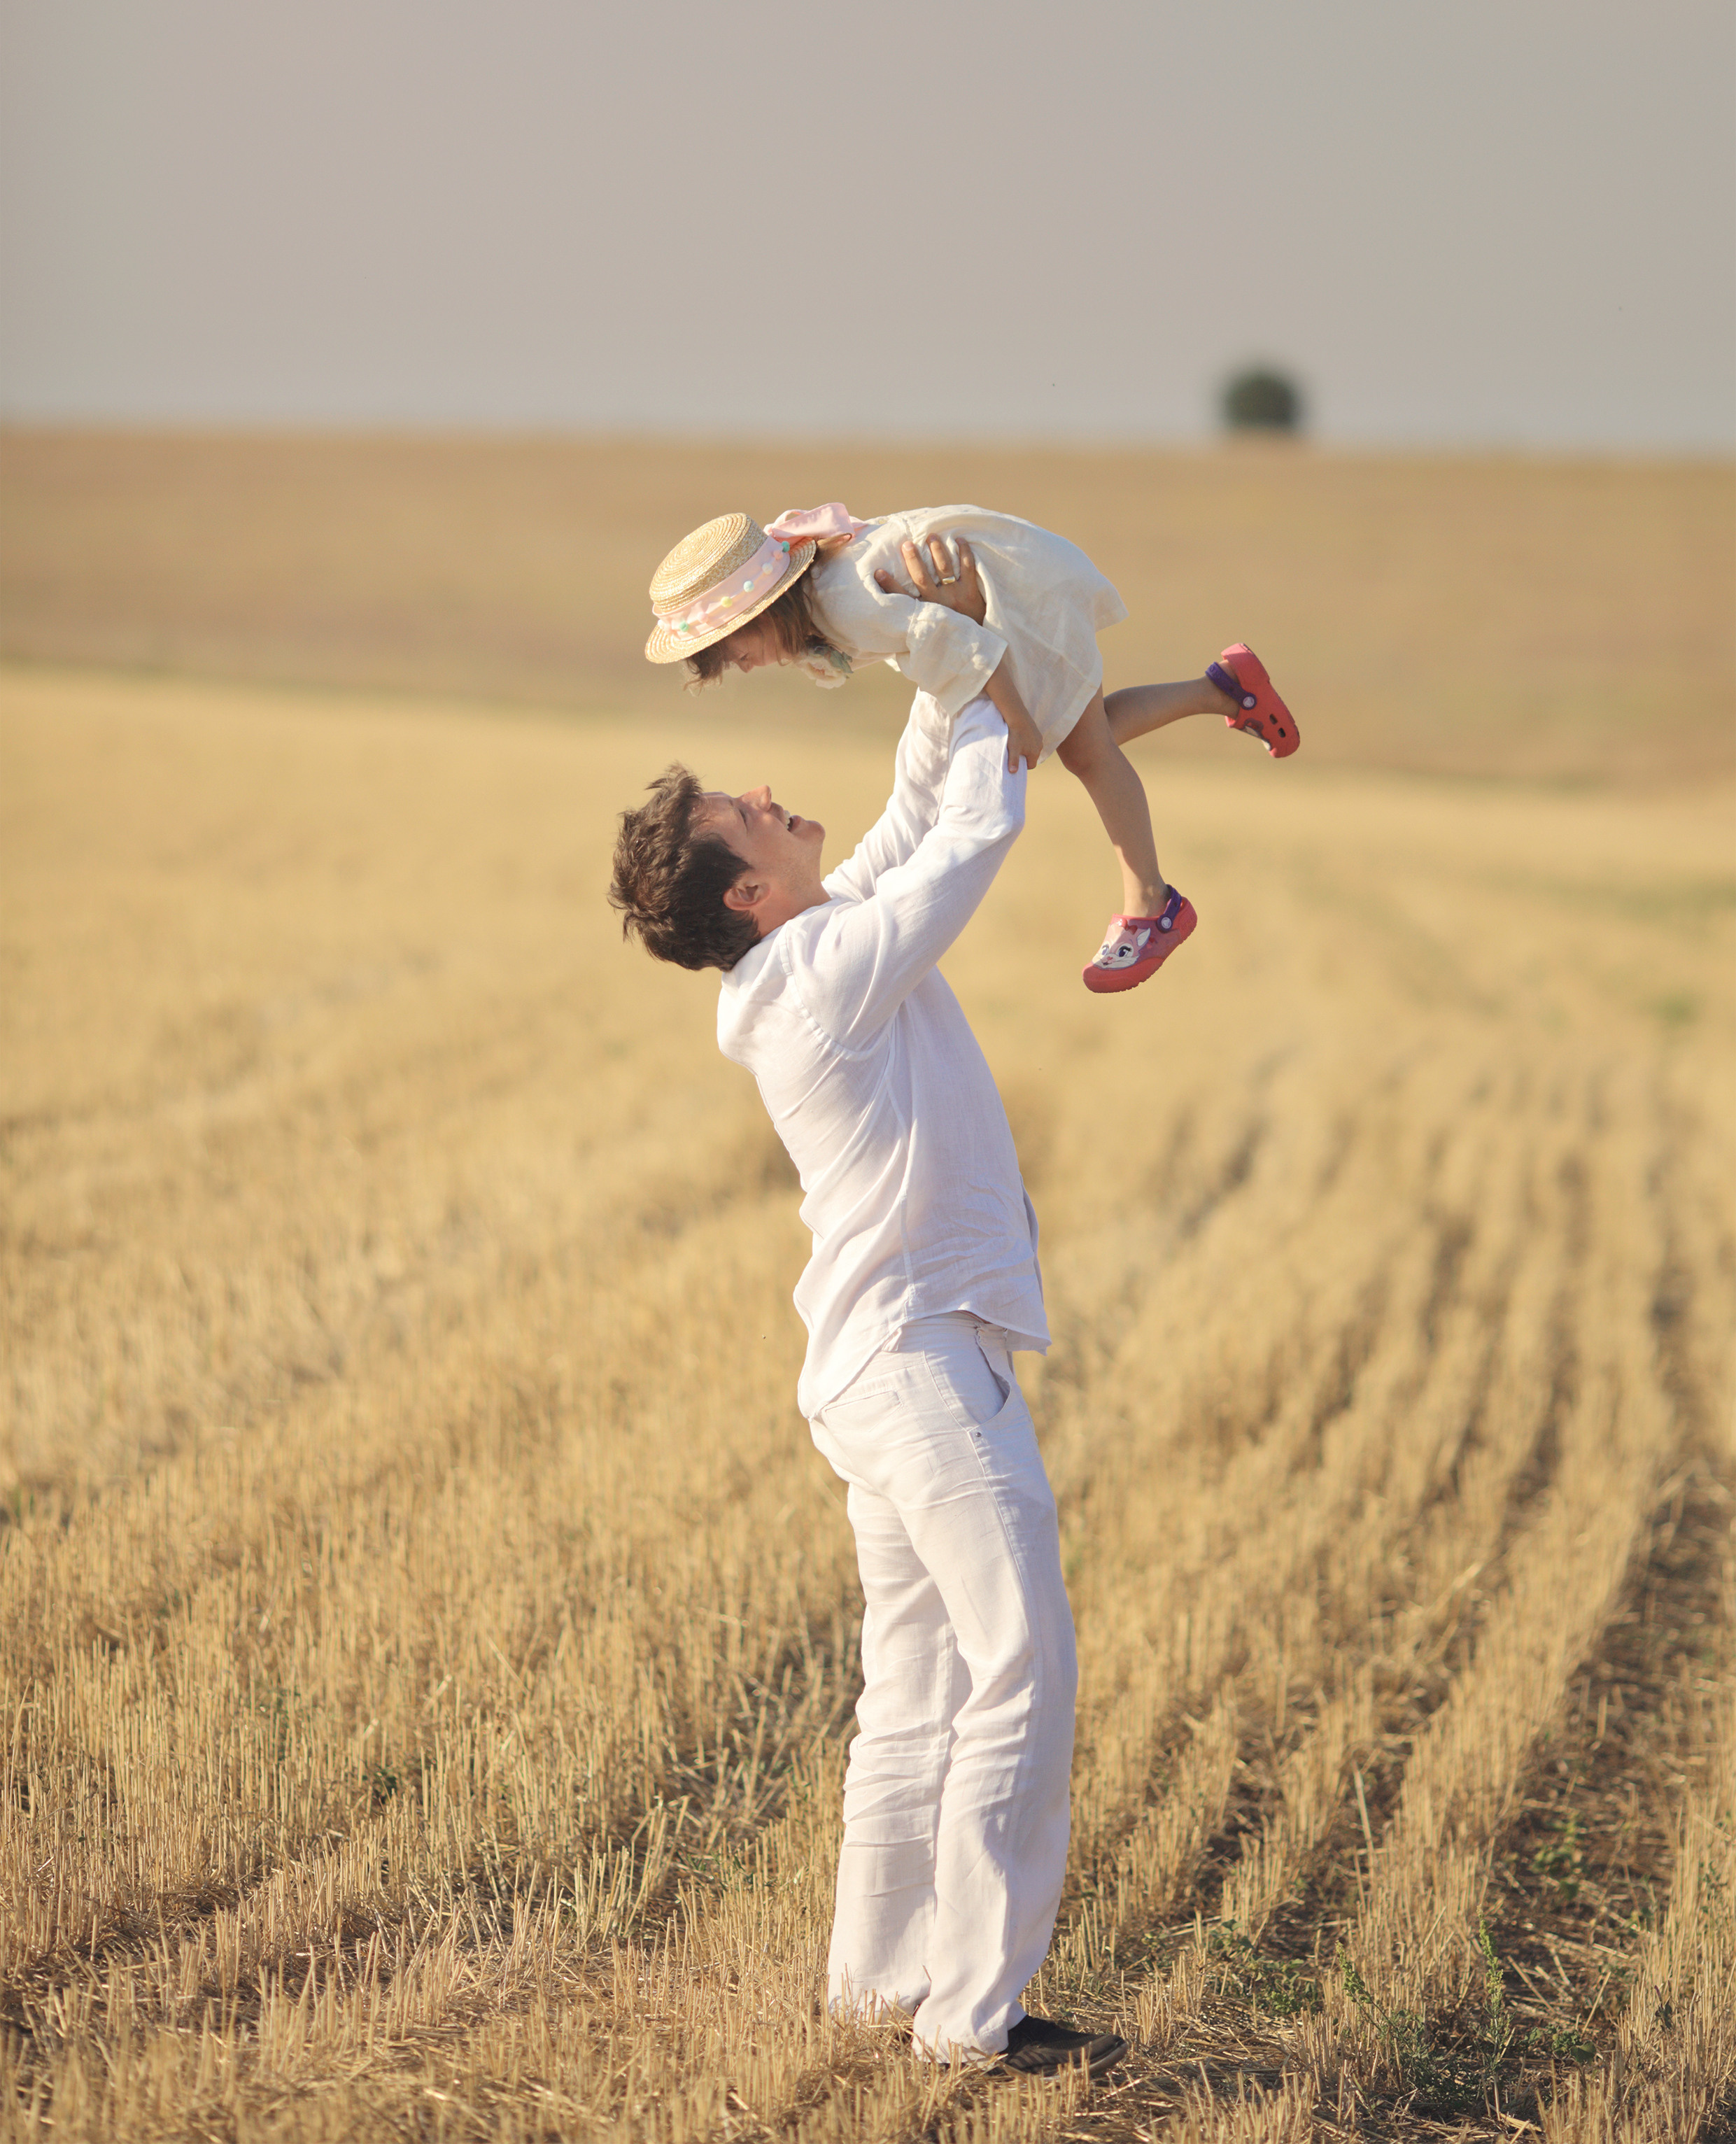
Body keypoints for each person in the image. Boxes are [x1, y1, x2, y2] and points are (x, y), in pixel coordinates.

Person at [607, 555, 1126, 2079]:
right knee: (1018, 1658)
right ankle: (970, 2018)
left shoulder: (806, 951)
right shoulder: (827, 968)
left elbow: (911, 817)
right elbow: (970, 826)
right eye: (742, 818)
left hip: (875, 1366)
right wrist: (954, 650)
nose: (768, 792)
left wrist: (924, 652)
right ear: (750, 893)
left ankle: (872, 1984)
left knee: (911, 1686)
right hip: (913, 1364)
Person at [642, 500, 1300, 992]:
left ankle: (1152, 906)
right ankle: (1225, 689)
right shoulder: (822, 596)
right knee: (1078, 732)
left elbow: (959, 642)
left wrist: (1014, 716)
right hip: (1013, 576)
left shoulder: (843, 608)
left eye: (738, 650)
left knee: (1088, 753)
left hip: (1019, 591)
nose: (745, 666)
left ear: (763, 612)